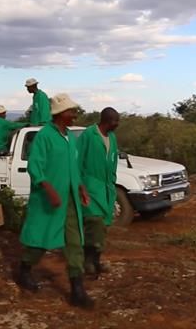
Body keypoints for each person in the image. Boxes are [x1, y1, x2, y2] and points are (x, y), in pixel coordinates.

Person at [16, 93, 94, 309]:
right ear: (60, 114)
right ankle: (25, 269)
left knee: (74, 242)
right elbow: (35, 166)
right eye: (71, 112)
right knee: (41, 239)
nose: (75, 115)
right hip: (49, 200)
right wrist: (48, 189)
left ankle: (77, 290)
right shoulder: (45, 136)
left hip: (69, 200)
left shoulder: (70, 137)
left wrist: (80, 187)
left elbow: (73, 167)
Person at [77, 107, 120, 279]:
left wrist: (113, 182)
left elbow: (113, 161)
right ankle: (88, 262)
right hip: (91, 186)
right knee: (94, 223)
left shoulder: (112, 138)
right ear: (107, 120)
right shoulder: (89, 135)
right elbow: (77, 161)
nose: (117, 124)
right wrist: (81, 186)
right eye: (115, 121)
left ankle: (96, 260)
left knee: (103, 226)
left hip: (107, 188)